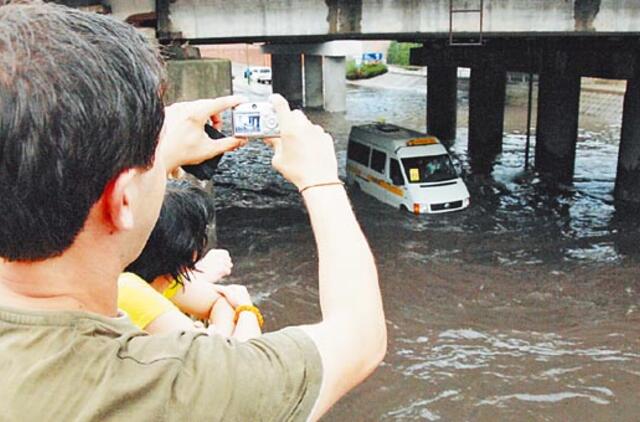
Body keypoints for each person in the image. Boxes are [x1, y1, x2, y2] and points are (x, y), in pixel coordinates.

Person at [0, 3, 386, 421]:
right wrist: (320, 180)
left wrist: (157, 145)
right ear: (122, 201)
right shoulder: (178, 387)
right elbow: (360, 337)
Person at [119, 178, 261, 341]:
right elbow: (239, 358)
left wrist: (217, 338)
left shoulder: (156, 277)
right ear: (187, 249)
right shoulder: (128, 288)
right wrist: (246, 310)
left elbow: (220, 302)